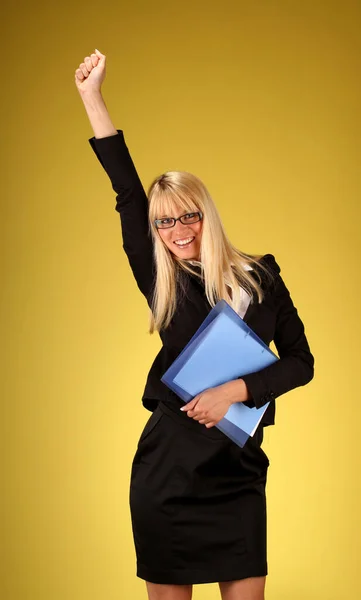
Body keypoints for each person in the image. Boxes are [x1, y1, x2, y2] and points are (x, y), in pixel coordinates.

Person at [75, 49, 314, 600]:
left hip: (238, 469)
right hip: (170, 472)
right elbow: (128, 193)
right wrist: (93, 99)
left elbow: (302, 363)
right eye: (164, 221)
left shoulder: (263, 276)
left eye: (188, 214)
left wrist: (233, 390)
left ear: (207, 213)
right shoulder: (163, 282)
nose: (178, 229)